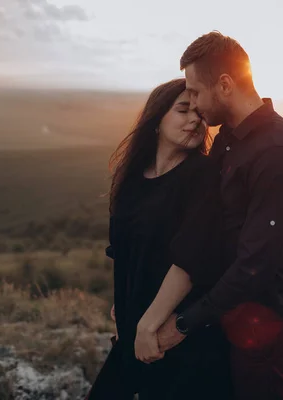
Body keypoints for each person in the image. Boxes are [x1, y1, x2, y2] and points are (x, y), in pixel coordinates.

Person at [148, 32, 283, 400]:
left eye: (194, 91)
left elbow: (256, 265)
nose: (192, 104)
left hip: (266, 320)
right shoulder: (229, 137)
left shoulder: (280, 152)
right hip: (227, 316)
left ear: (224, 84)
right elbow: (207, 228)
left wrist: (182, 324)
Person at [85, 78, 233, 400]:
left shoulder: (203, 176)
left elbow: (192, 259)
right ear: (156, 119)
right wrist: (126, 298)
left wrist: (149, 324)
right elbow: (126, 250)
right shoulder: (133, 178)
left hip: (178, 336)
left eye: (200, 114)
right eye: (183, 110)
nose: (195, 119)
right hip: (135, 327)